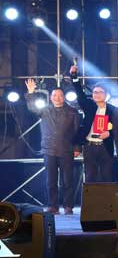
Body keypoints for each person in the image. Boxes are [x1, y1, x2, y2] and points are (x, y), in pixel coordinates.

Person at [24, 79, 80, 215]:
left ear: (64, 97)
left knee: (67, 180)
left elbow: (77, 131)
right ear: (51, 97)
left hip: (67, 150)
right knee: (51, 181)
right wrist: (31, 93)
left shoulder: (73, 112)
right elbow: (32, 108)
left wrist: (77, 148)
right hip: (49, 150)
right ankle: (53, 206)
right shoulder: (45, 110)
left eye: (60, 95)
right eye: (55, 95)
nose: (57, 98)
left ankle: (68, 206)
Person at [70, 64, 116, 183]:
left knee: (107, 177)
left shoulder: (113, 110)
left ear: (106, 95)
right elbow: (80, 94)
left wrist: (109, 133)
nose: (97, 94)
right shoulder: (89, 106)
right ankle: (90, 197)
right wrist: (74, 77)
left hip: (105, 146)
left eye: (100, 92)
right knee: (90, 177)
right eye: (95, 92)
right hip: (89, 146)